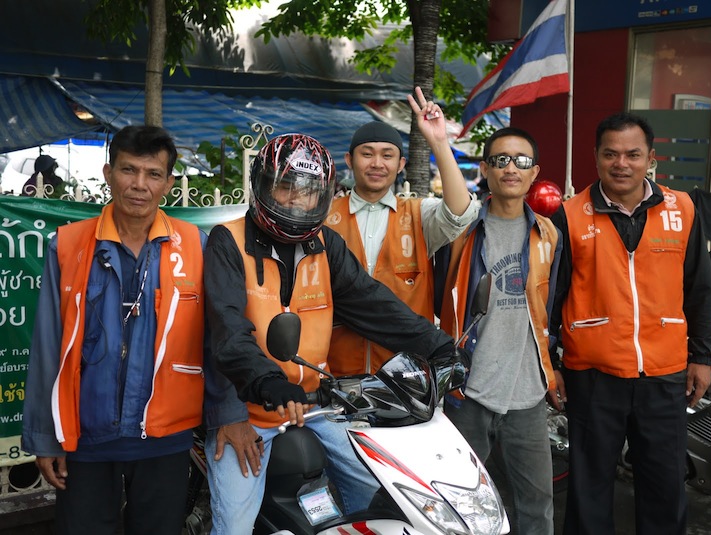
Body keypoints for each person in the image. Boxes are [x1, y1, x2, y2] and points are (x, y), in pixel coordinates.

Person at [203, 132, 461, 534]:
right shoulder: (228, 240)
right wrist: (266, 381)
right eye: (286, 187)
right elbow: (227, 328)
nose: (296, 201)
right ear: (262, 186)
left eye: (308, 193)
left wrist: (440, 346)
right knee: (235, 527)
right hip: (250, 408)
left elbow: (372, 303)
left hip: (316, 406)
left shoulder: (327, 243)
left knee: (380, 497)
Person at [20, 125, 255, 535]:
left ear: (168, 182)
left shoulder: (195, 246)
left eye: (153, 174)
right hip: (85, 437)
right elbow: (46, 347)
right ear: (109, 173)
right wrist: (45, 436)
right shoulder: (68, 245)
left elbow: (216, 339)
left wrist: (230, 414)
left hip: (166, 437)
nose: (139, 185)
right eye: (129, 171)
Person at [549, 112, 711, 535]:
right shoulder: (569, 216)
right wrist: (550, 364)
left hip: (664, 374)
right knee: (589, 488)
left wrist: (702, 357)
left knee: (664, 486)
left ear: (651, 159)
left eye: (632, 154)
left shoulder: (682, 209)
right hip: (591, 373)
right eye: (610, 154)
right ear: (595, 157)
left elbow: (700, 288)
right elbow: (548, 300)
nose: (621, 163)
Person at [437, 126, 563, 535]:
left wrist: (551, 364)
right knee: (459, 502)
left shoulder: (548, 234)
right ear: (486, 170)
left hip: (527, 394)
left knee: (537, 507)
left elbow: (550, 308)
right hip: (468, 391)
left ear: (534, 173)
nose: (512, 168)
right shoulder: (461, 228)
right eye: (501, 160)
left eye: (521, 161)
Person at [324, 87, 479, 376]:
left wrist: (440, 141)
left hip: (406, 373)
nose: (377, 164)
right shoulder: (325, 219)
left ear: (401, 165)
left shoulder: (418, 215)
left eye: (387, 155)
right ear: (349, 160)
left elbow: (461, 212)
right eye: (367, 154)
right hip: (338, 370)